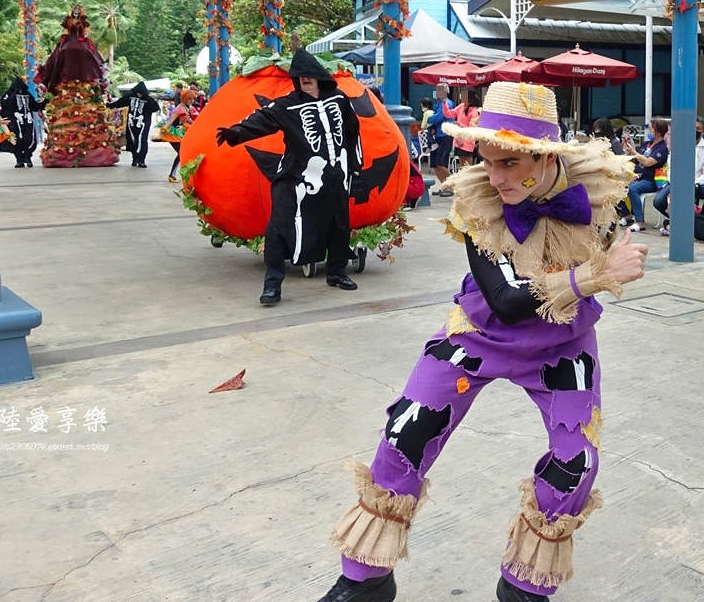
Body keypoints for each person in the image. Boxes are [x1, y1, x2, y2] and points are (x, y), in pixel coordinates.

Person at [318, 81, 644, 602]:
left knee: (576, 463)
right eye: (487, 160)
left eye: (509, 164)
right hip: (479, 334)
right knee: (405, 434)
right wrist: (597, 274)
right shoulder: (479, 201)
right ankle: (366, 580)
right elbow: (507, 302)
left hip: (563, 343)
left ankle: (521, 588)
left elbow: (605, 244)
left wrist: (610, 260)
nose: (494, 177)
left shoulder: (598, 194)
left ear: (543, 155)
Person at [215, 50, 362, 304]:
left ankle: (337, 272)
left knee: (339, 224)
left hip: (336, 175)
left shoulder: (339, 99)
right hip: (298, 176)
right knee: (278, 226)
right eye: (300, 76)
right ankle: (272, 285)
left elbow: (352, 131)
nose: (305, 79)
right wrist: (236, 133)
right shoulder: (287, 105)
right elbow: (262, 118)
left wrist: (354, 165)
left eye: (309, 75)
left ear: (318, 76)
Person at [653, 117, 704, 236]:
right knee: (658, 201)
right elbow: (671, 167)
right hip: (676, 183)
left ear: (702, 131)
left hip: (697, 183)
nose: (695, 131)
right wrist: (677, 183)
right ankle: (679, 221)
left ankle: (702, 221)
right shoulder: (679, 145)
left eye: (698, 129)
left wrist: (694, 184)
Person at [623, 117, 669, 232]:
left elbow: (648, 162)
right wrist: (630, 152)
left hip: (651, 180)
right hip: (639, 176)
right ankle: (627, 215)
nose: (649, 132)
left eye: (651, 130)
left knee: (632, 189)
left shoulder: (662, 148)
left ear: (658, 132)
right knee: (620, 185)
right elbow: (638, 158)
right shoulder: (646, 144)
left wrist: (634, 152)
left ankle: (639, 221)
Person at [0, 76, 46, 168]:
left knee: (29, 139)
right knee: (16, 140)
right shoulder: (8, 94)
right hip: (14, 122)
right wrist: (14, 94)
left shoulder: (27, 94)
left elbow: (34, 106)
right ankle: (19, 160)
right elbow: (6, 104)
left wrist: (44, 103)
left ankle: (27, 157)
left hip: (27, 120)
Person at [107, 82, 160, 168]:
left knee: (142, 140)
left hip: (143, 122)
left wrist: (147, 102)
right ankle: (135, 158)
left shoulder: (148, 99)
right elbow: (120, 102)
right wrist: (110, 106)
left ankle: (142, 159)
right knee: (132, 140)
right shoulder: (130, 97)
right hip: (132, 122)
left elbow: (155, 108)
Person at [159, 89, 198, 183]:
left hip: (183, 132)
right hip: (174, 133)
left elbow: (193, 120)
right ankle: (173, 175)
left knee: (184, 153)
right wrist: (163, 130)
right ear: (184, 98)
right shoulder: (179, 108)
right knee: (181, 153)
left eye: (193, 99)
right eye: (189, 99)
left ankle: (178, 174)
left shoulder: (190, 108)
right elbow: (170, 120)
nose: (192, 101)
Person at [428, 83, 455, 193]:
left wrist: (428, 118)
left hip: (445, 135)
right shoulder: (438, 103)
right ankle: (444, 187)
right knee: (435, 164)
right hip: (438, 136)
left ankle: (453, 186)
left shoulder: (446, 103)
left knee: (441, 163)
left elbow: (438, 117)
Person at [447, 88, 481, 169]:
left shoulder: (474, 111)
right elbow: (449, 114)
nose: (461, 96)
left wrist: (459, 124)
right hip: (459, 140)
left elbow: (472, 128)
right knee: (461, 166)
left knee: (467, 166)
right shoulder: (461, 106)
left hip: (468, 141)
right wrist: (444, 103)